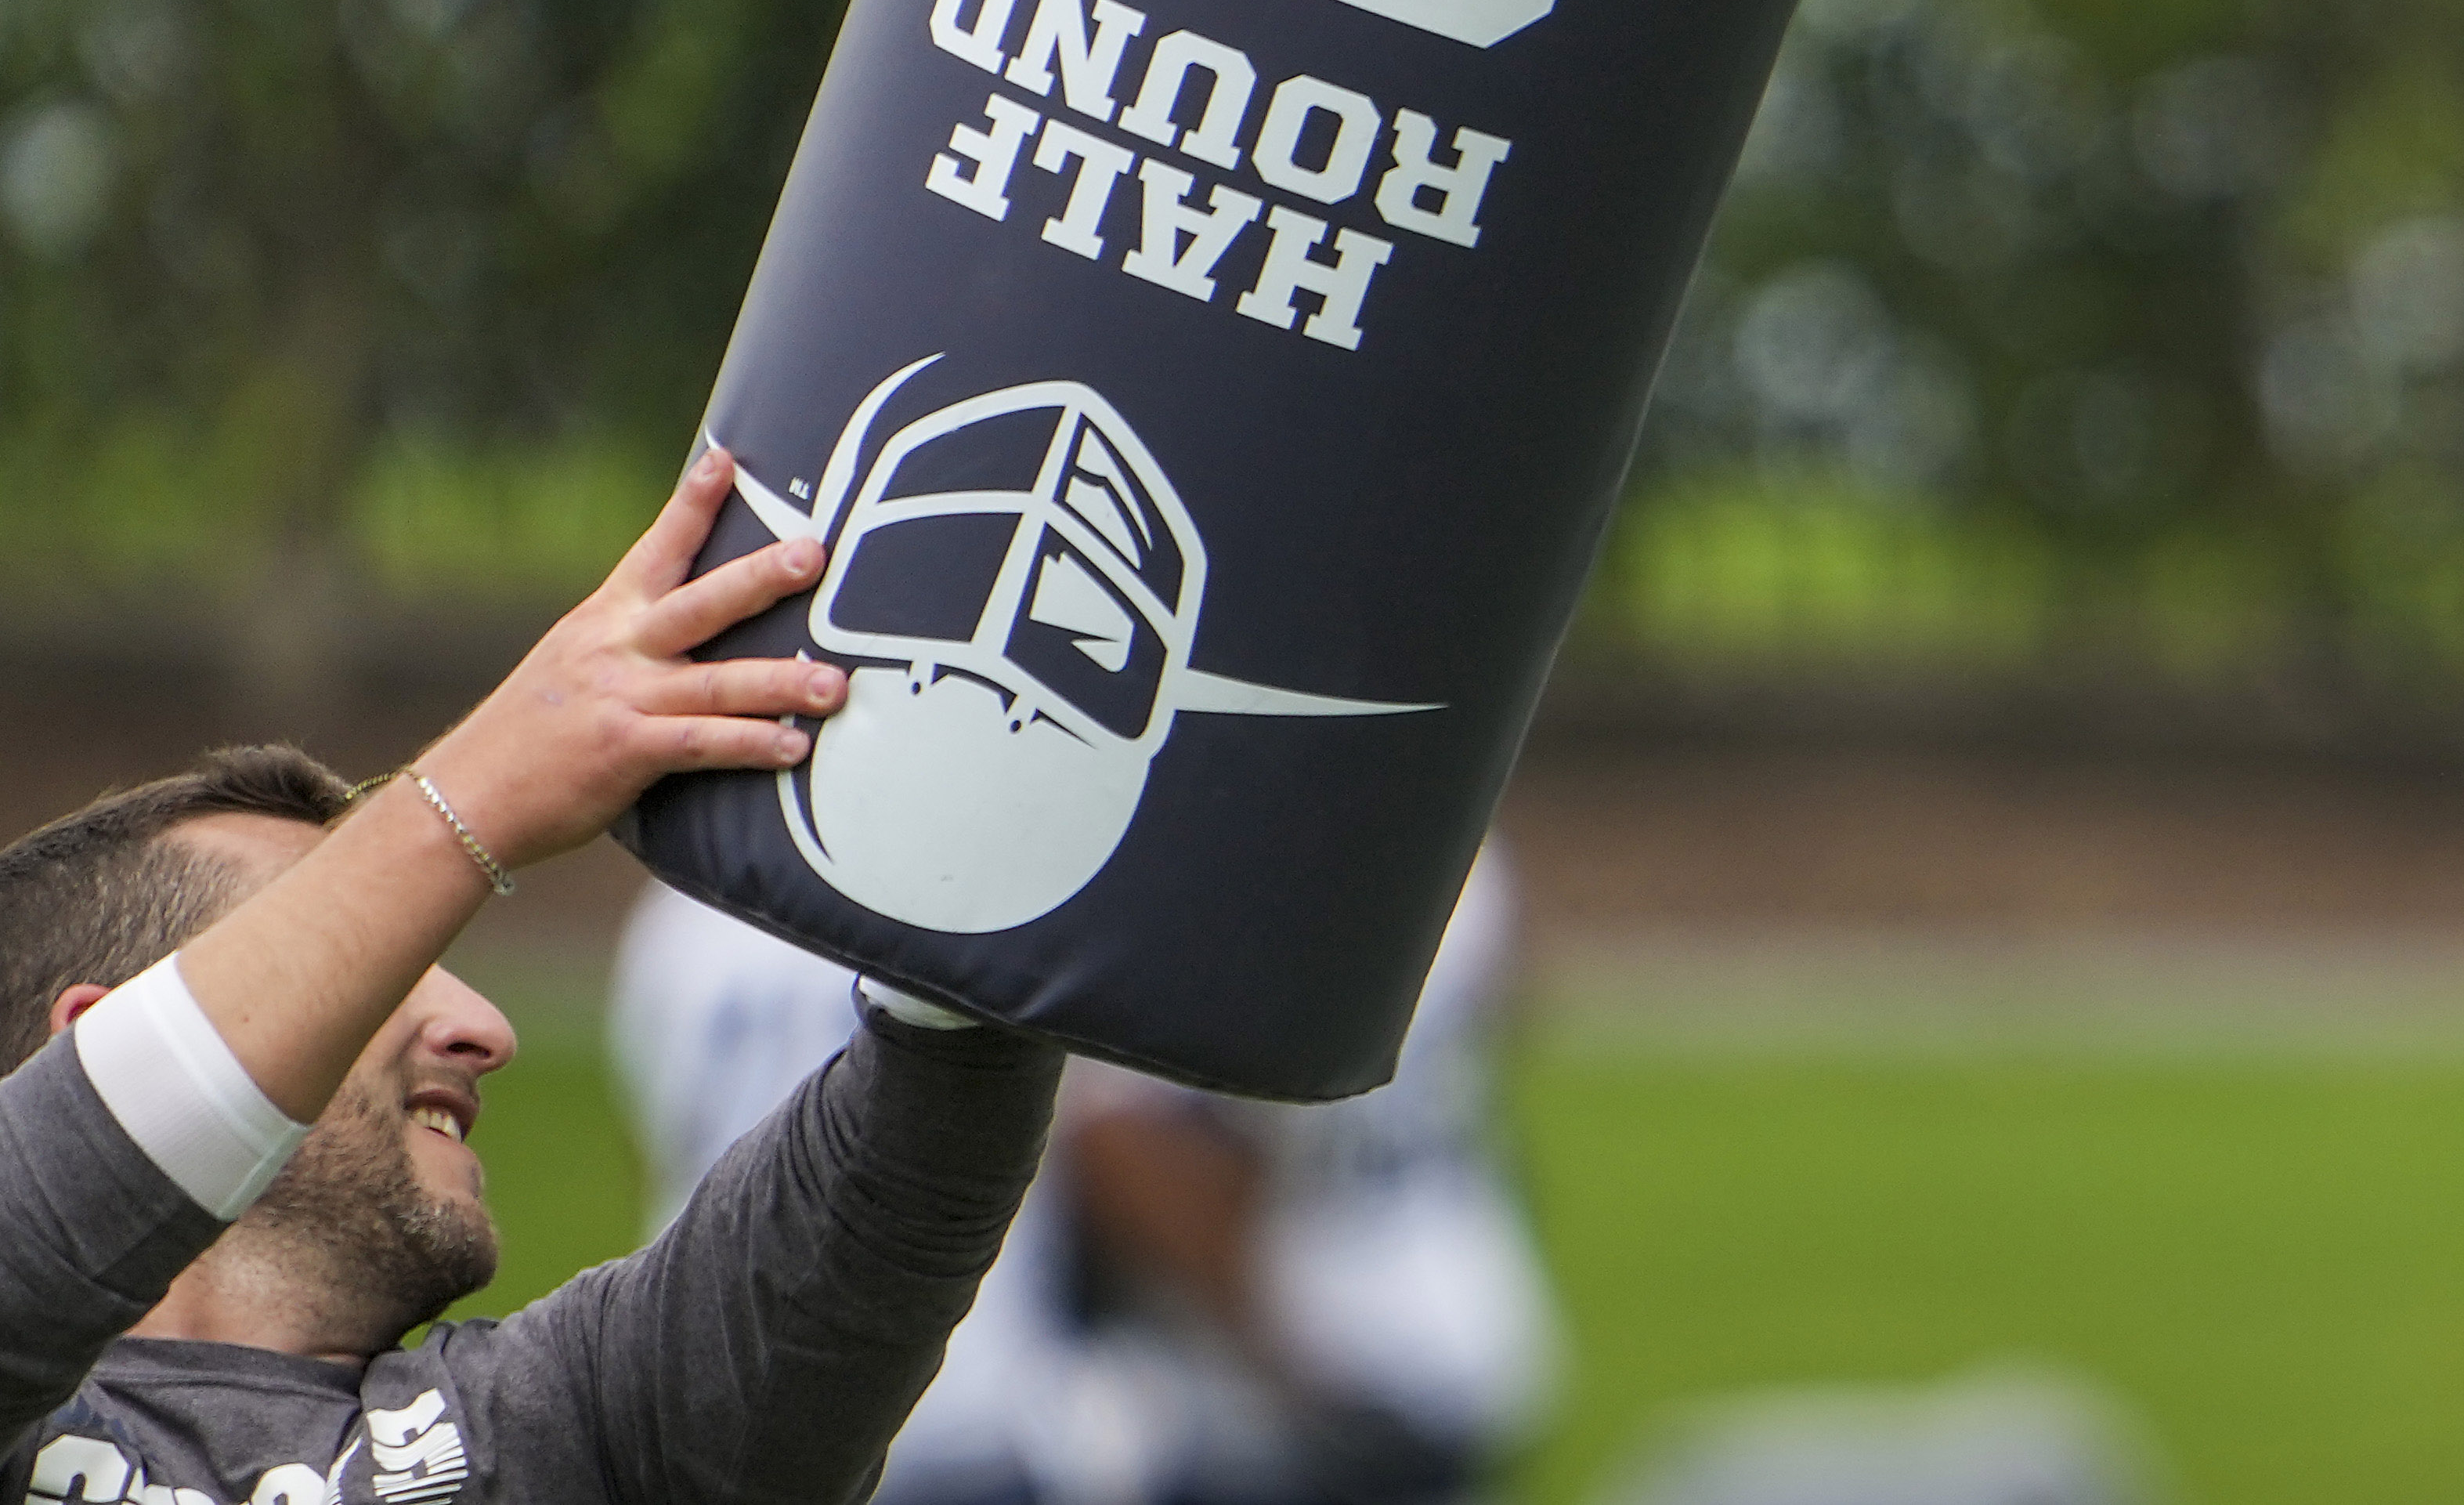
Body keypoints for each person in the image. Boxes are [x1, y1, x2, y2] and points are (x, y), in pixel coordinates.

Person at [2, 450, 1063, 1505]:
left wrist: (990, 815)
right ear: (101, 1034)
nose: (484, 1028)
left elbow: (920, 1134)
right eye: (377, 974)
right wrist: (480, 792)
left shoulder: (572, 1432)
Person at [609, 847, 1560, 1505]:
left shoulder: (681, 916)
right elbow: (1118, 1138)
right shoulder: (983, 887)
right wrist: (1299, 1382)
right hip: (960, 1416)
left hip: (703, 1412)